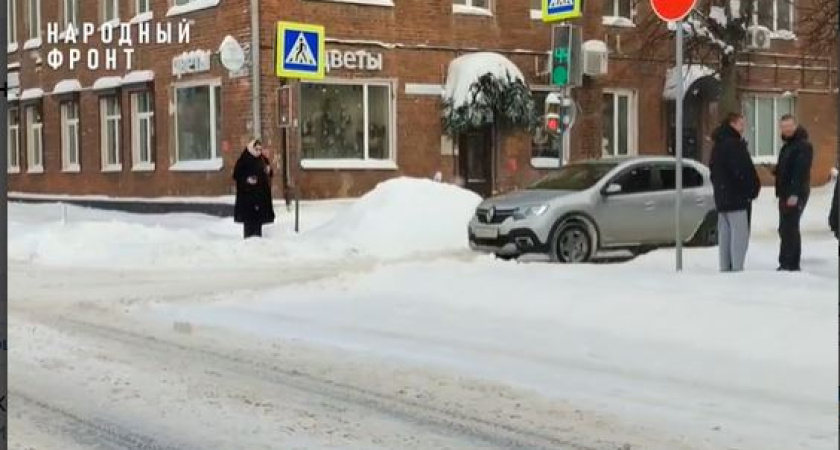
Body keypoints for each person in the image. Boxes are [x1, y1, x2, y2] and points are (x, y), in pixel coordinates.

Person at [709, 112, 761, 272]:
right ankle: (737, 268)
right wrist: (752, 188)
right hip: (736, 197)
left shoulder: (717, 145)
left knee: (725, 233)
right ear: (732, 124)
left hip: (722, 196)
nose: (743, 127)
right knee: (739, 235)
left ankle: (725, 266)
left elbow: (713, 170)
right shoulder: (735, 145)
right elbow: (743, 171)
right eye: (741, 124)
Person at [774, 115, 813, 271]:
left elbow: (800, 172)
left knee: (790, 227)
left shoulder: (803, 146)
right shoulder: (787, 146)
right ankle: (785, 261)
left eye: (789, 126)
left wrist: (795, 194)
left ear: (796, 126)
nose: (787, 129)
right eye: (784, 127)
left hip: (795, 193)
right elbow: (787, 167)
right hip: (785, 192)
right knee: (784, 227)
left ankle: (791, 263)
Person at [233, 139, 275, 239]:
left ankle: (257, 239)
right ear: (251, 148)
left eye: (260, 149)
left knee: (258, 220)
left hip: (260, 195)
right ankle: (248, 239)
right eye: (256, 149)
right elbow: (236, 175)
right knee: (249, 220)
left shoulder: (263, 159)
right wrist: (247, 180)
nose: (258, 152)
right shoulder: (244, 160)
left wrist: (269, 171)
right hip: (247, 196)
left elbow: (269, 173)